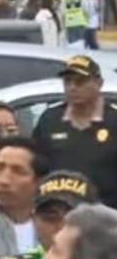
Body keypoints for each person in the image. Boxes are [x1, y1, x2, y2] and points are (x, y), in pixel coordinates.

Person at [33, 54, 117, 211]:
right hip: (58, 214)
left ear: (99, 83)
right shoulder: (50, 120)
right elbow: (37, 168)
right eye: (68, 82)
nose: (72, 87)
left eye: (80, 82)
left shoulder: (114, 121)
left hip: (107, 216)